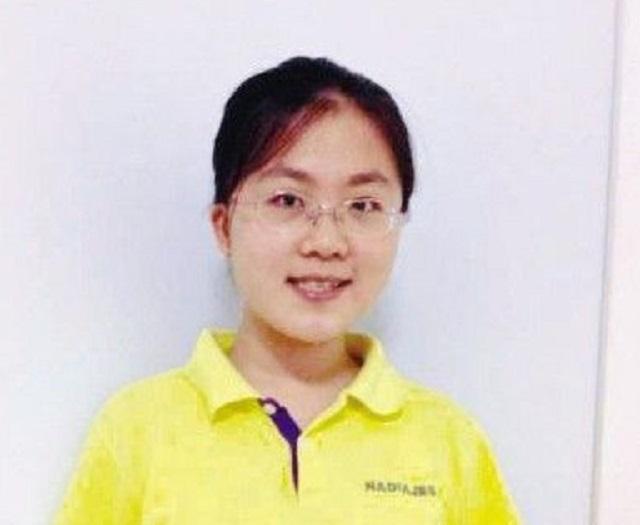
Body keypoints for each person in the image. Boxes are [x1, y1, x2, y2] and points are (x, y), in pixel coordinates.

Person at [55, 56, 521, 524]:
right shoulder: (137, 430)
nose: (326, 242)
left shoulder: (448, 443)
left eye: (363, 205)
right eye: (287, 200)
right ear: (224, 226)